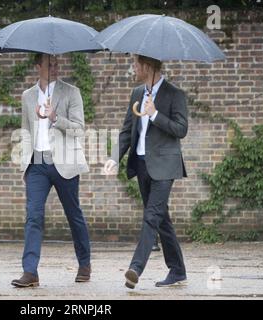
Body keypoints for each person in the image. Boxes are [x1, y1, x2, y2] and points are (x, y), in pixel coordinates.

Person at [104, 54, 188, 288]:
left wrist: (155, 115)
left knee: (151, 216)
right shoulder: (137, 93)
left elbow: (181, 129)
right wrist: (114, 158)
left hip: (165, 167)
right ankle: (178, 270)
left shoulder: (174, 94)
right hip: (141, 165)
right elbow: (126, 131)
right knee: (161, 220)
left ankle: (135, 268)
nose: (134, 68)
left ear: (148, 67)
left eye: (136, 65)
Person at [11, 53, 91, 287]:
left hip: (64, 163)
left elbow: (79, 129)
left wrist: (56, 117)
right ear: (38, 67)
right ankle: (30, 272)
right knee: (33, 216)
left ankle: (84, 263)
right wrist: (25, 165)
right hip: (37, 164)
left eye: (57, 64)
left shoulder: (71, 92)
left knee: (73, 214)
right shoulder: (27, 96)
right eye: (49, 64)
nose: (55, 68)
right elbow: (25, 131)